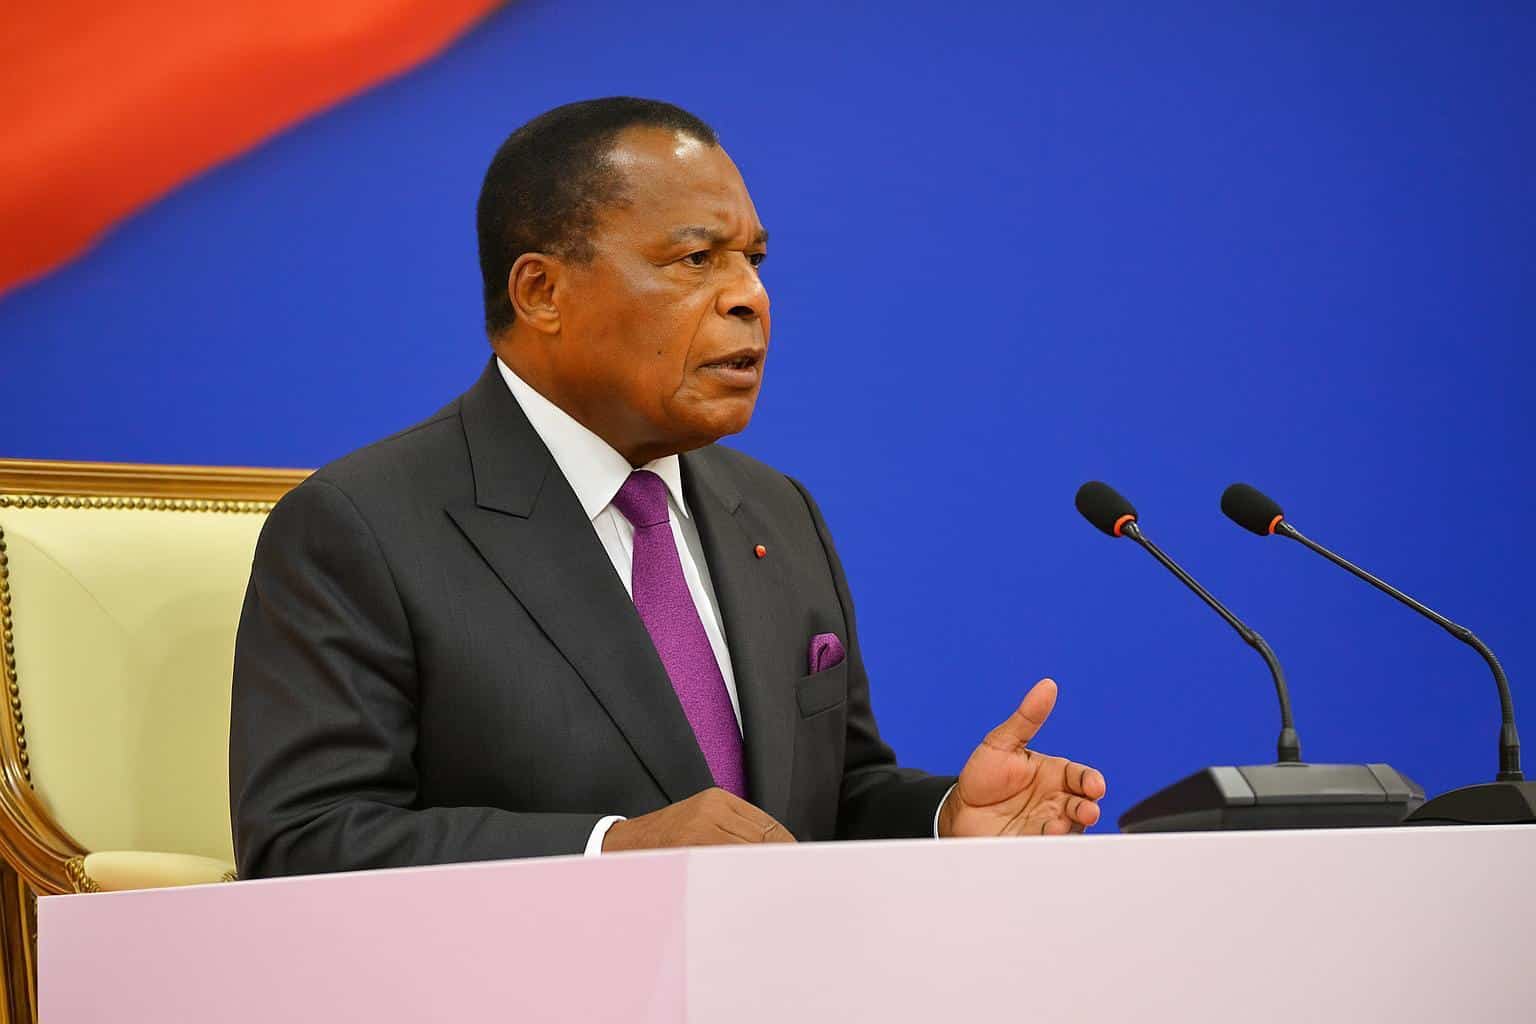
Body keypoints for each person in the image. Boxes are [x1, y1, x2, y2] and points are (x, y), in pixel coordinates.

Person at [229, 97, 1106, 877]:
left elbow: (828, 802)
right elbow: (306, 837)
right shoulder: (366, 526)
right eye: (696, 259)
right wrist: (608, 851)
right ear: (542, 291)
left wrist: (946, 819)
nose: (751, 297)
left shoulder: (777, 512)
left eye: (753, 260)